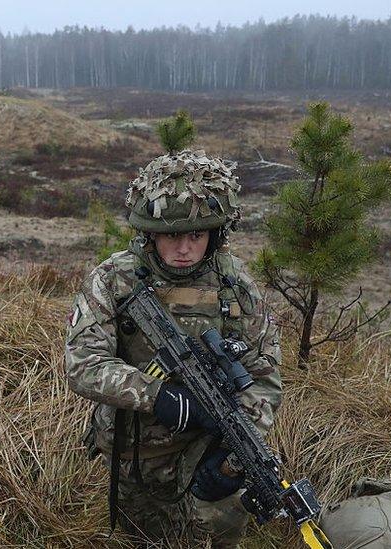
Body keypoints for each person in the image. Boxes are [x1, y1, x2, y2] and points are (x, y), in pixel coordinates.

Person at [64, 149, 282, 546]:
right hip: (136, 453)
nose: (184, 248)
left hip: (207, 449)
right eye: (171, 235)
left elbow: (265, 380)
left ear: (214, 233)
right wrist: (157, 395)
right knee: (142, 537)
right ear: (150, 233)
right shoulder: (113, 280)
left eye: (196, 235)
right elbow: (83, 364)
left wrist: (232, 458)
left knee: (219, 528)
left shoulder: (238, 290)